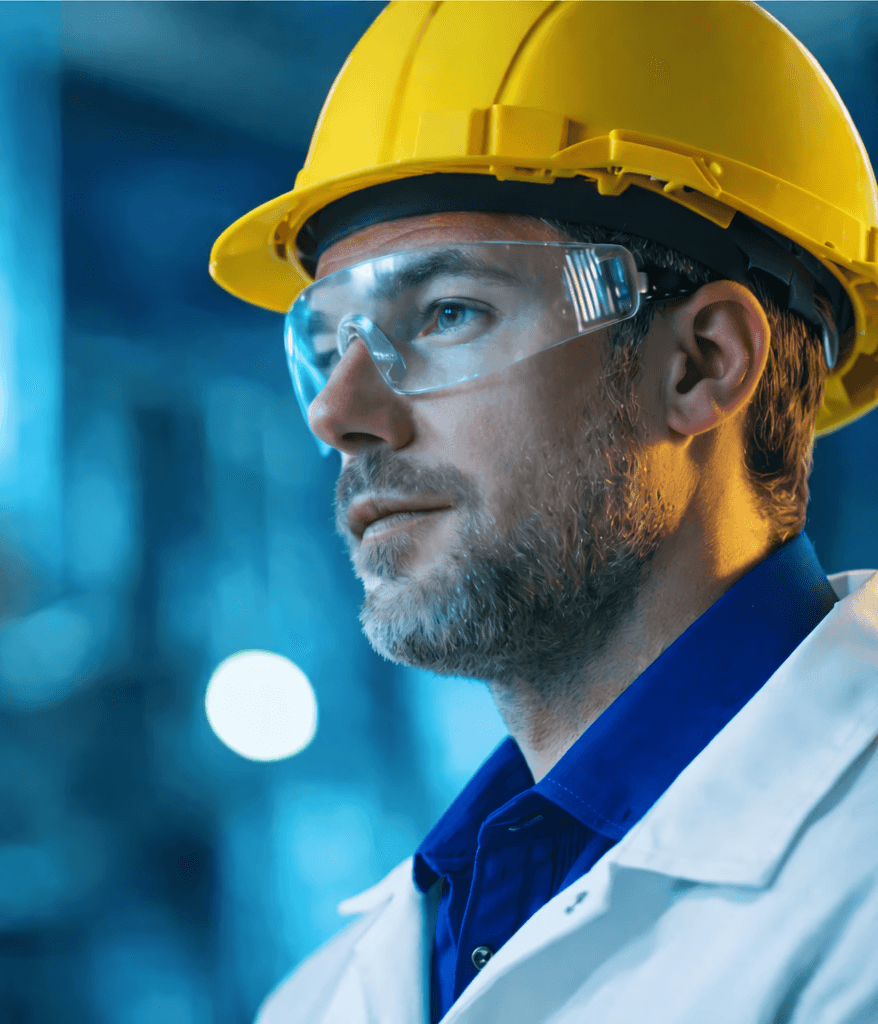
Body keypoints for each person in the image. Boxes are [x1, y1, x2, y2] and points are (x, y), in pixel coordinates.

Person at [209, 2, 878, 1021]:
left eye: (448, 313)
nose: (338, 413)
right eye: (332, 341)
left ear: (700, 365)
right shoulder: (324, 997)